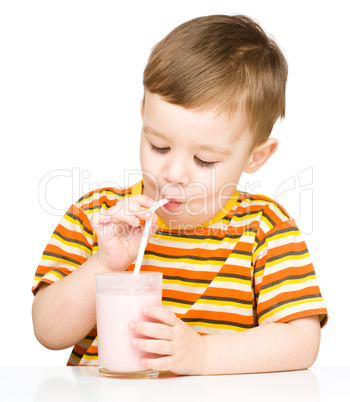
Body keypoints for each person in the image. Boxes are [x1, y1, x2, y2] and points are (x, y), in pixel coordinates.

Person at [32, 14, 328, 375]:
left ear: (256, 156)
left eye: (204, 160)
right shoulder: (98, 216)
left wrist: (203, 354)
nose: (174, 173)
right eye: (158, 146)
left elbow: (301, 341)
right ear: (143, 118)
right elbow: (48, 332)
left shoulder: (265, 229)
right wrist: (105, 264)